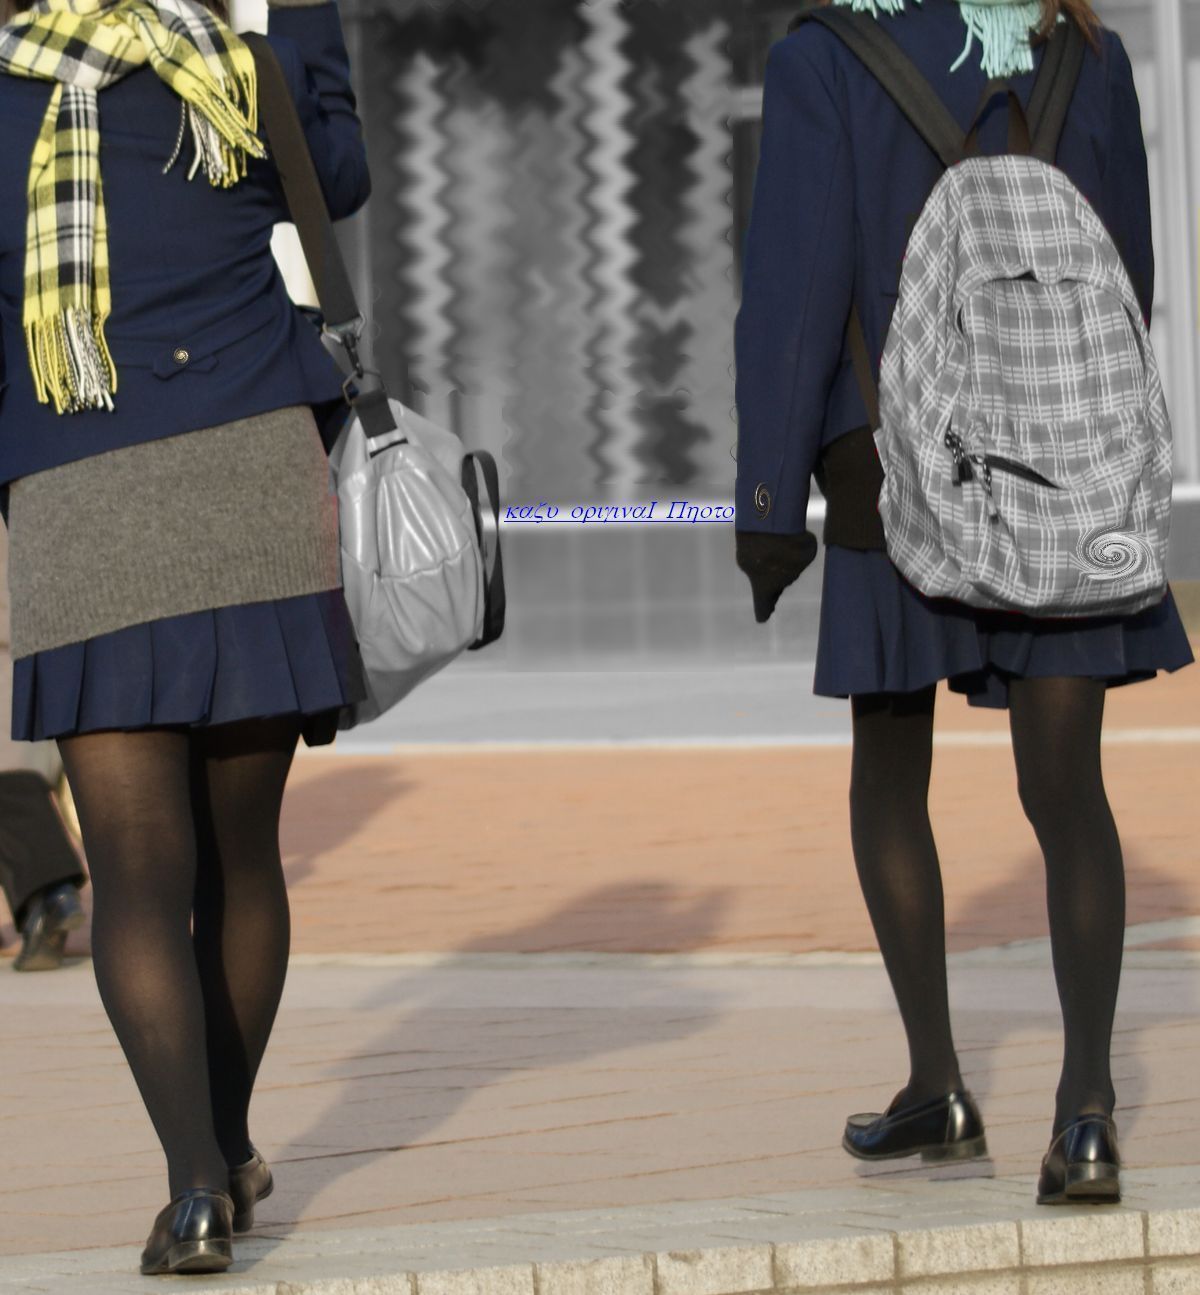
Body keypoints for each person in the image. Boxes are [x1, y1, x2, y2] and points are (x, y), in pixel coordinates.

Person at [733, 0, 1195, 1207]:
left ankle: (938, 1083)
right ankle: (1086, 1110)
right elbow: (1127, 275)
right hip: (1059, 467)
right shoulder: (1085, 47)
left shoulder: (825, 55)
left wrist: (768, 503)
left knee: (892, 775)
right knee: (1070, 792)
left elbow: (793, 291)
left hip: (892, 466)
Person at [0, 0, 370, 1274]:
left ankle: (196, 1183)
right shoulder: (238, 72)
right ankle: (231, 1134)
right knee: (242, 859)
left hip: (78, 481)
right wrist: (312, 18)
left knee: (139, 876)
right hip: (253, 471)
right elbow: (341, 179)